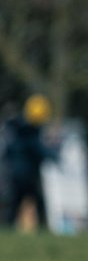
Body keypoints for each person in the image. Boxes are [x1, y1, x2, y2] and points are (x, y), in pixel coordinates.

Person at [2, 94, 54, 231]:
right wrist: (54, 154)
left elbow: (8, 151)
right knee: (35, 203)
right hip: (24, 175)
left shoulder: (14, 128)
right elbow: (39, 151)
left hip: (14, 173)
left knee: (14, 205)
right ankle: (41, 228)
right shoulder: (30, 132)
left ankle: (7, 230)